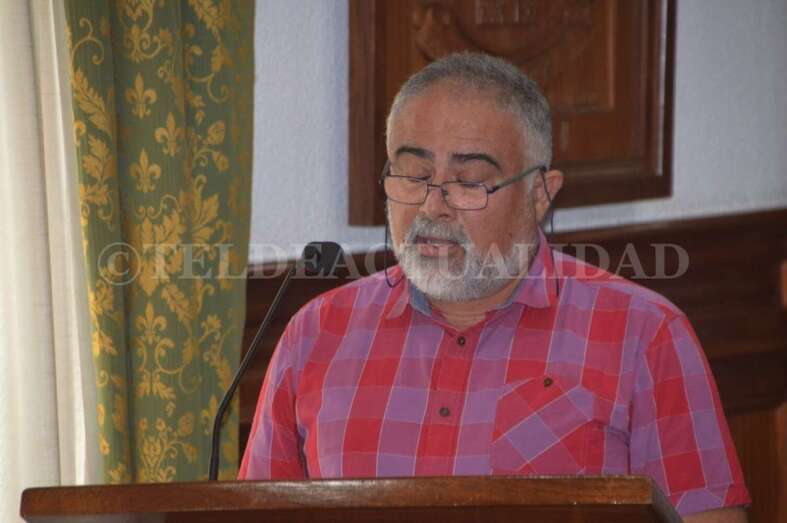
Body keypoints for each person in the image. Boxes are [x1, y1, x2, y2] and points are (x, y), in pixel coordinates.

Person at [240, 52, 750, 522]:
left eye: (469, 183)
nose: (432, 206)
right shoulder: (317, 334)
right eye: (413, 175)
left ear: (539, 194)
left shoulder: (643, 335)